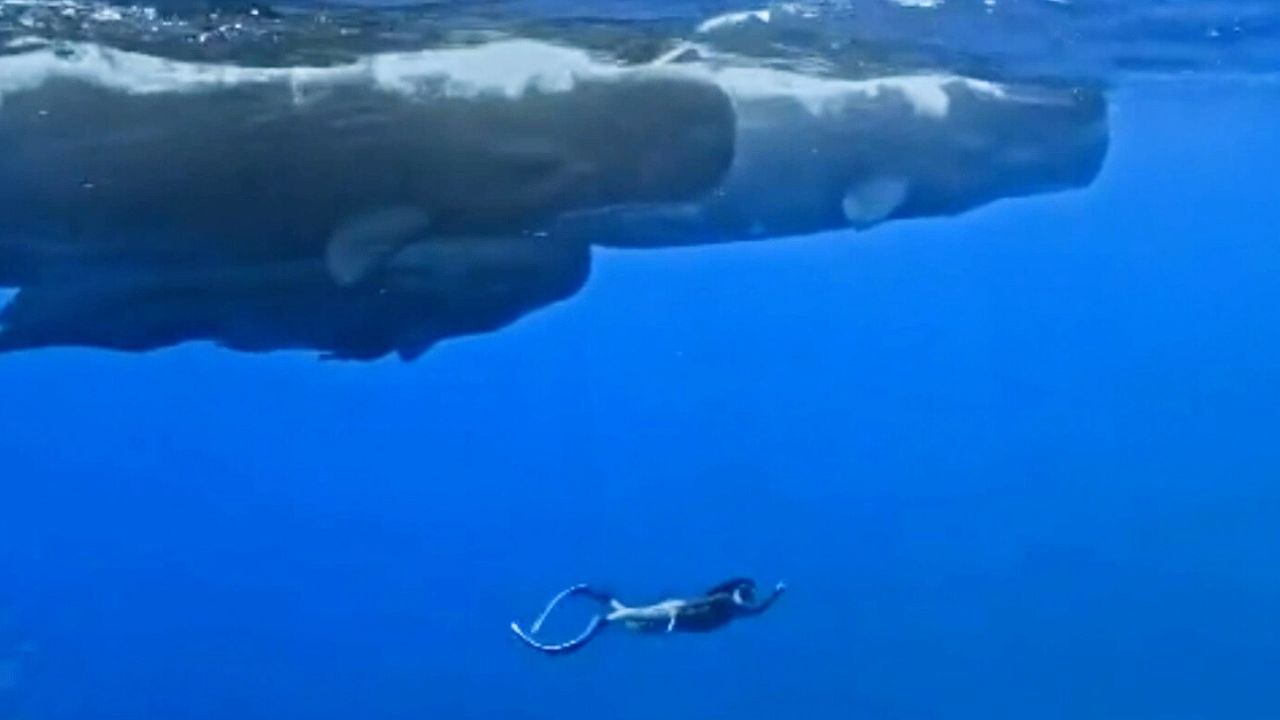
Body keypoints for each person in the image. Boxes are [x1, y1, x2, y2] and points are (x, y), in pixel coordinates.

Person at [510, 578, 786, 655]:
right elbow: (695, 604)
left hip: (674, 623)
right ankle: (600, 619)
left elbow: (758, 610)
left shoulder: (736, 611)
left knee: (630, 618)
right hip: (674, 613)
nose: (745, 597)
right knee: (629, 616)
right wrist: (675, 615)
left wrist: (775, 595)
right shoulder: (725, 600)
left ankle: (600, 602)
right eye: (744, 592)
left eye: (748, 595)